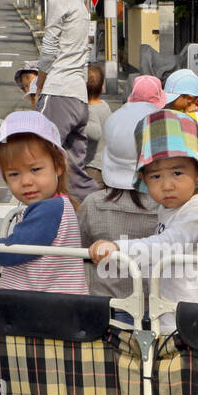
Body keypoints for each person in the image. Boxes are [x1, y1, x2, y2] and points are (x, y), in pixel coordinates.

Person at [88, 110, 198, 330]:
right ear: (144, 180)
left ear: (197, 171)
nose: (167, 185)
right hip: (171, 311)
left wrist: (117, 248)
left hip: (194, 316)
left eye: (177, 173)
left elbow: (168, 243)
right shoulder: (171, 207)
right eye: (156, 176)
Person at [0, 111, 88, 294]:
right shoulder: (59, 204)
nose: (26, 181)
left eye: (35, 169)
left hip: (44, 311)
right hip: (53, 306)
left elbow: (16, 249)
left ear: (58, 166)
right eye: (14, 174)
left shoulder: (49, 210)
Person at [78, 77, 163, 301]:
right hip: (159, 309)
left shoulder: (94, 204)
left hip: (107, 309)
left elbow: (81, 251)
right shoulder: (172, 208)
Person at [30, 0, 97, 203]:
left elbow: (48, 51)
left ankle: (42, 217)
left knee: (40, 158)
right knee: (73, 169)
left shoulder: (57, 0)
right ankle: (98, 213)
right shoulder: (77, 1)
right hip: (78, 98)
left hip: (58, 92)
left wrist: (38, 86)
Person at [82, 63, 113, 171]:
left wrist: (78, 124)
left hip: (93, 164)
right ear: (102, 87)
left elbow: (95, 132)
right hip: (105, 161)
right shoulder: (104, 105)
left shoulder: (89, 110)